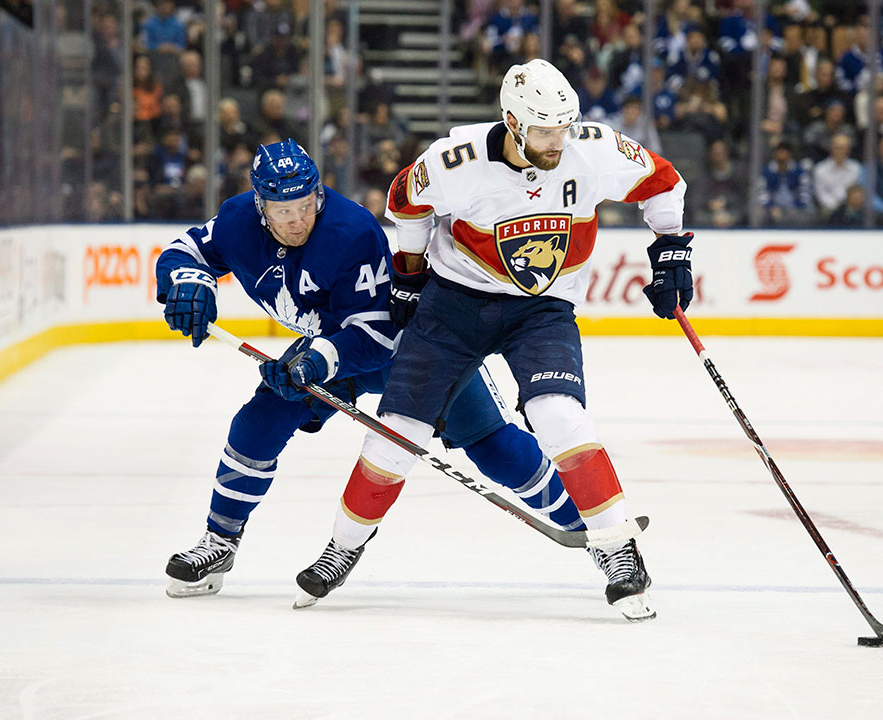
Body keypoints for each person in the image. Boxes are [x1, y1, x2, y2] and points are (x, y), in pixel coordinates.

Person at [294, 59, 691, 622]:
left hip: (543, 308)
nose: (560, 140)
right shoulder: (455, 161)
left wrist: (671, 246)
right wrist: (408, 274)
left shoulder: (593, 147)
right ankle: (342, 547)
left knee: (559, 417)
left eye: (565, 127)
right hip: (454, 305)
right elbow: (405, 203)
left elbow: (663, 181)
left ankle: (618, 550)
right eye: (546, 131)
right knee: (396, 435)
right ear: (512, 121)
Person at [155, 139, 584, 599]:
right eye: (282, 212)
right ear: (261, 207)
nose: (297, 219)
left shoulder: (351, 231)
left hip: (415, 349)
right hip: (324, 354)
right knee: (257, 423)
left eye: (305, 204)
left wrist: (315, 358)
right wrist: (189, 282)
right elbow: (185, 252)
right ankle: (220, 540)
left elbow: (377, 335)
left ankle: (591, 526)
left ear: (318, 194)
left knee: (493, 447)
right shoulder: (237, 220)